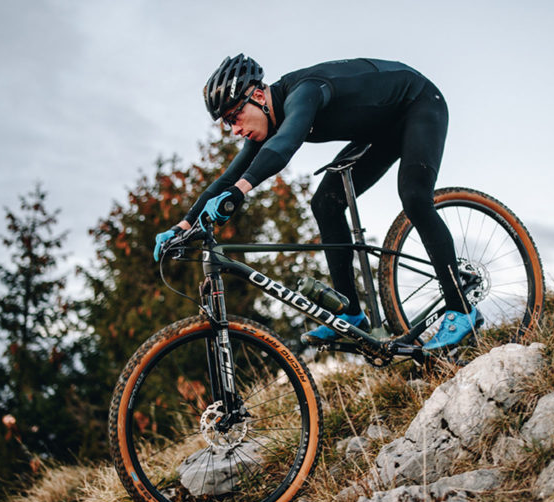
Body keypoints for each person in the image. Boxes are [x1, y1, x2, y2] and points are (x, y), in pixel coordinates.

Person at [153, 54, 480, 350]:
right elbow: (226, 178)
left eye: (235, 116)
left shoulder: (303, 91)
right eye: (227, 123)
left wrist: (239, 192)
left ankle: (460, 307)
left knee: (414, 196)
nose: (235, 129)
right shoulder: (267, 120)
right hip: (382, 129)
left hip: (419, 103)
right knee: (325, 204)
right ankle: (352, 315)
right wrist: (181, 226)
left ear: (256, 95)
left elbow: (285, 144)